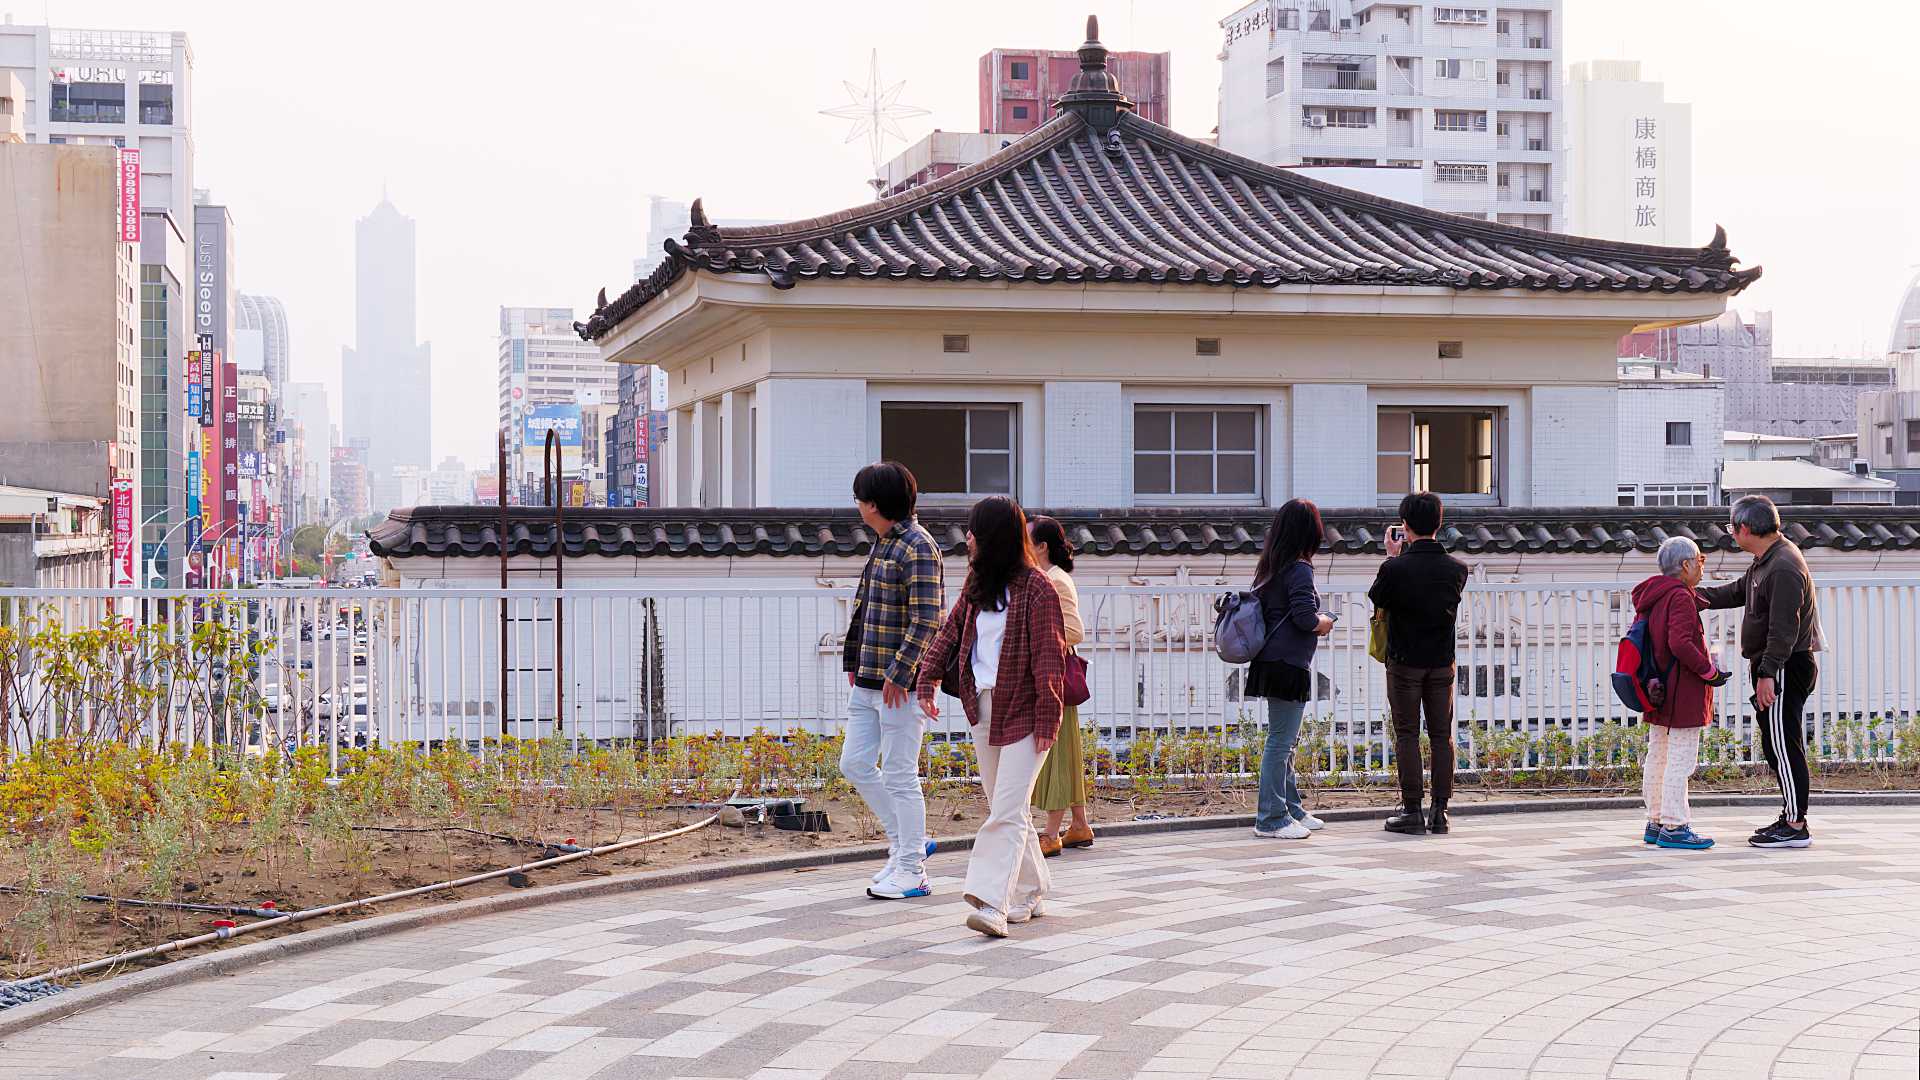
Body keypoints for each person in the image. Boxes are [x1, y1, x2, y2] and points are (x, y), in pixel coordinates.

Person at [916, 496, 1067, 939]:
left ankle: (991, 903)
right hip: (982, 707)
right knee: (1009, 808)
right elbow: (949, 634)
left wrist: (1048, 719)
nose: (968, 539)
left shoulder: (1038, 589)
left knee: (1002, 812)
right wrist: (925, 679)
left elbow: (1049, 660)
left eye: (975, 531)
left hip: (1026, 712)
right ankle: (1032, 886)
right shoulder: (977, 583)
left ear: (994, 537)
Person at [841, 462, 946, 900]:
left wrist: (901, 672)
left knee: (901, 775)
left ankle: (912, 869)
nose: (858, 506)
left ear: (875, 503)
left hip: (898, 685)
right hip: (869, 681)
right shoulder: (884, 543)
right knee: (855, 763)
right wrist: (853, 660)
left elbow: (929, 618)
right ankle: (907, 844)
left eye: (861, 499)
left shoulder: (918, 547)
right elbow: (866, 611)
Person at [1698, 495, 1821, 849]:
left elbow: (1784, 628)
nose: (1731, 533)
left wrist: (1768, 673)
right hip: (1774, 665)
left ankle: (1796, 826)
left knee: (1784, 746)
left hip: (1784, 665)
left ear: (1745, 529)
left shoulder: (1783, 565)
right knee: (1775, 744)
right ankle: (1790, 816)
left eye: (1731, 527)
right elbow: (1738, 591)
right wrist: (1697, 597)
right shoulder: (1765, 560)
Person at [1367, 491, 1470, 836]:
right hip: (1442, 663)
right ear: (1439, 524)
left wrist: (1392, 556)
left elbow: (1378, 597)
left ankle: (1412, 810)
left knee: (1407, 735)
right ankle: (1440, 811)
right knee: (1442, 735)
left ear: (1405, 526)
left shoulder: (1394, 568)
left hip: (1404, 662)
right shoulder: (1457, 570)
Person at [1246, 499, 1336, 840]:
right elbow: (1303, 617)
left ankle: (1291, 808)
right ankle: (1270, 818)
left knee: (1283, 740)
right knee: (1280, 743)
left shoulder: (1271, 566)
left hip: (1271, 661)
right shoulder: (1299, 569)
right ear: (1309, 532)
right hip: (1287, 663)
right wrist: (1323, 622)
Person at [1633, 537, 1731, 850]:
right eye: (1700, 560)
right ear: (1686, 565)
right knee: (1680, 759)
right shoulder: (1679, 597)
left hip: (1657, 687)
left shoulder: (1654, 595)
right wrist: (1709, 671)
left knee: (1658, 755)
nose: (1703, 566)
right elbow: (1680, 643)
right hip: (1682, 690)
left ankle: (1657, 820)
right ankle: (1676, 826)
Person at [1028, 516, 1092, 858]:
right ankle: (1079, 825)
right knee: (1065, 751)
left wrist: (1038, 644)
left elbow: (1075, 630)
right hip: (1054, 678)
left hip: (1055, 680)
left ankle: (1051, 834)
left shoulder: (1055, 580)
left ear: (1042, 546)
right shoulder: (1047, 577)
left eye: (1028, 540)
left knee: (1055, 755)